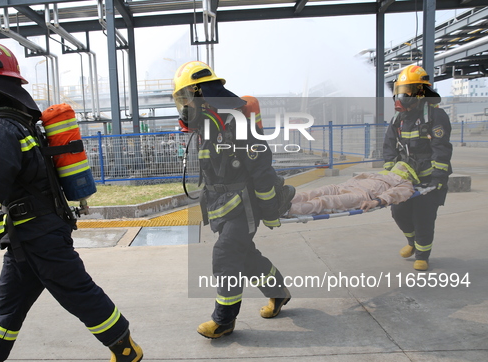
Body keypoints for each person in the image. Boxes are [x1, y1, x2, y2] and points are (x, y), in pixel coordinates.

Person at [0, 42, 142, 362]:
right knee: (9, 304)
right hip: (27, 232)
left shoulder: (0, 127)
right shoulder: (15, 123)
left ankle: (124, 348)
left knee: (76, 291)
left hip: (37, 231)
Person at [173, 61, 294, 339]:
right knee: (246, 257)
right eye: (182, 100)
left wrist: (270, 209)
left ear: (202, 94)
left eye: (187, 97)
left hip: (246, 207)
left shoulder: (237, 122)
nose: (185, 105)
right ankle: (279, 293)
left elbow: (262, 169)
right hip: (223, 207)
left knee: (226, 254)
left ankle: (224, 320)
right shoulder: (208, 124)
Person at [383, 65, 452, 271]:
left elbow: (441, 149)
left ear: (421, 92)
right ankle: (412, 242)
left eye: (408, 91)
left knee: (423, 216)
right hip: (406, 178)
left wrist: (438, 177)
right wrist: (390, 174)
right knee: (399, 212)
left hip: (429, 178)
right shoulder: (398, 119)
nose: (403, 96)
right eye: (401, 91)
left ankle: (422, 255)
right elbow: (389, 146)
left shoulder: (435, 117)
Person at [284, 161, 419, 216]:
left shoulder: (405, 184)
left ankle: (287, 210)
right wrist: (348, 183)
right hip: (347, 186)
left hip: (362, 195)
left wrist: (376, 202)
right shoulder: (385, 173)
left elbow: (393, 194)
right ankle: (283, 200)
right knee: (315, 192)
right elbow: (362, 176)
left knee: (324, 201)